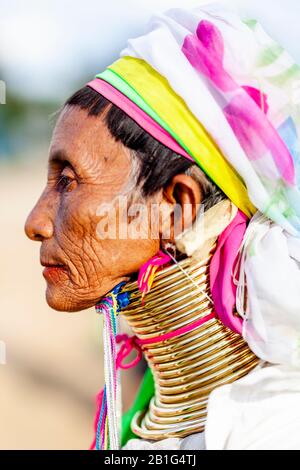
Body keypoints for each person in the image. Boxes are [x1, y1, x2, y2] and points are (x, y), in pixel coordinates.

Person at [25, 3, 300, 450]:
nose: (35, 224)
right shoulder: (144, 427)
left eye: (68, 182)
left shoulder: (278, 430)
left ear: (177, 208)